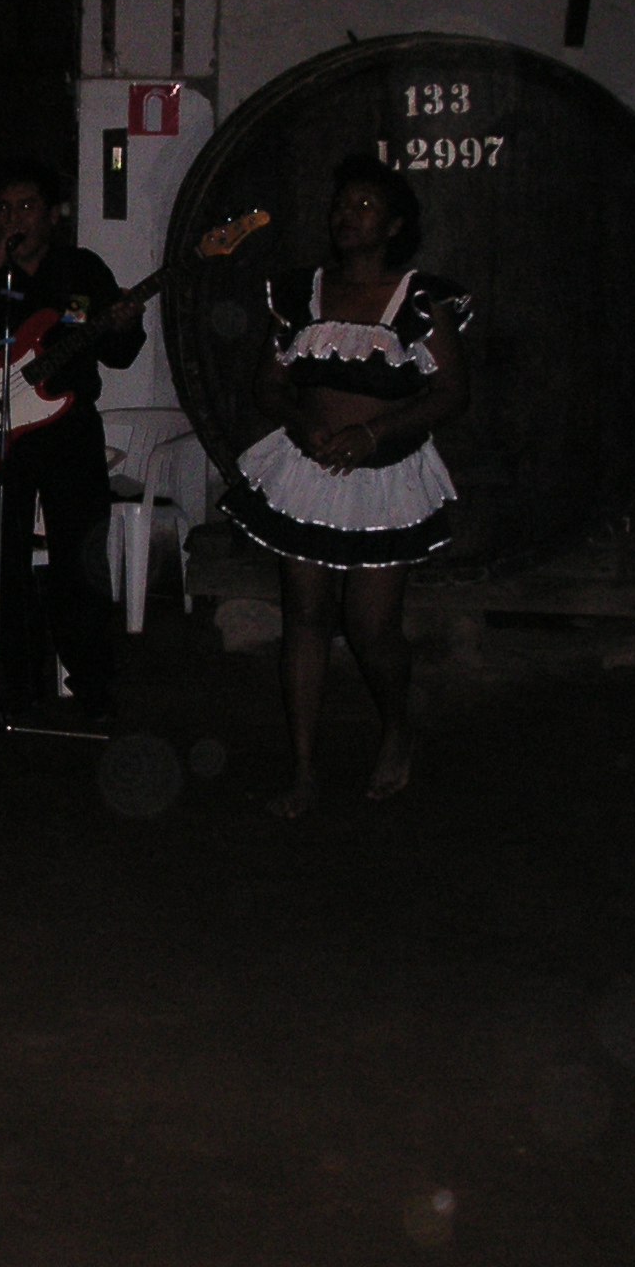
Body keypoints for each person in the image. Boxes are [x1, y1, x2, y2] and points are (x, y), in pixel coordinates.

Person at [221, 153, 470, 816]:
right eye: (341, 206)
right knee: (304, 617)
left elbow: (449, 391)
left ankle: (396, 725)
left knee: (370, 626)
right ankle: (303, 769)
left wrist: (375, 434)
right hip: (310, 467)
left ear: (394, 226)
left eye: (363, 206)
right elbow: (268, 385)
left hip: (382, 474)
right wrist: (303, 426)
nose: (345, 216)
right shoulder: (300, 293)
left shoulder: (420, 300)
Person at [0, 159, 145, 720]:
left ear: (52, 213)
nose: (13, 218)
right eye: (2, 208)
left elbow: (119, 354)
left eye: (25, 207)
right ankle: (16, 680)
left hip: (67, 429)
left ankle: (91, 681)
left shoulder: (82, 270)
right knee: (2, 556)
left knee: (81, 555)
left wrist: (124, 325)